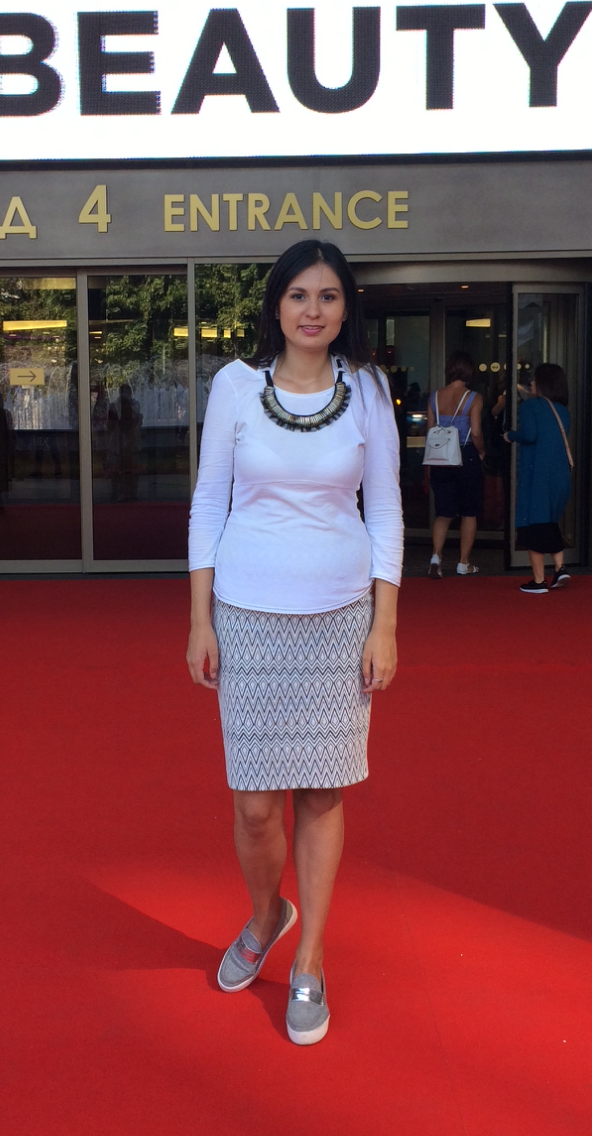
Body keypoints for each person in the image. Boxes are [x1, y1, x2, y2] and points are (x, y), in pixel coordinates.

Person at [186, 239, 403, 1046]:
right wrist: (199, 618)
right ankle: (265, 915)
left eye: (329, 296)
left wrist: (385, 623)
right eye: (299, 295)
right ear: (276, 304)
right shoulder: (236, 386)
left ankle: (309, 956)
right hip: (246, 613)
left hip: (339, 616)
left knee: (320, 793)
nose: (314, 311)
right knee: (253, 805)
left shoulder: (367, 389)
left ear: (346, 309)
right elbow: (209, 503)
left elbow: (387, 510)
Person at [504, 362, 571, 593]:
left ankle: (539, 580)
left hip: (537, 476)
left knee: (532, 524)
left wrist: (510, 435)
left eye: (534, 379)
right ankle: (560, 568)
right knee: (549, 522)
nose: (531, 382)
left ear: (543, 383)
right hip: (560, 475)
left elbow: (530, 435)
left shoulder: (530, 406)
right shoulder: (562, 411)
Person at [426, 351, 485, 578]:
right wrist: (481, 451)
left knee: (443, 512)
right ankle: (463, 563)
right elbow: (476, 431)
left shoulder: (434, 397)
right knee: (469, 512)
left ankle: (435, 557)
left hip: (441, 457)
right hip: (466, 454)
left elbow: (430, 432)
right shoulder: (474, 398)